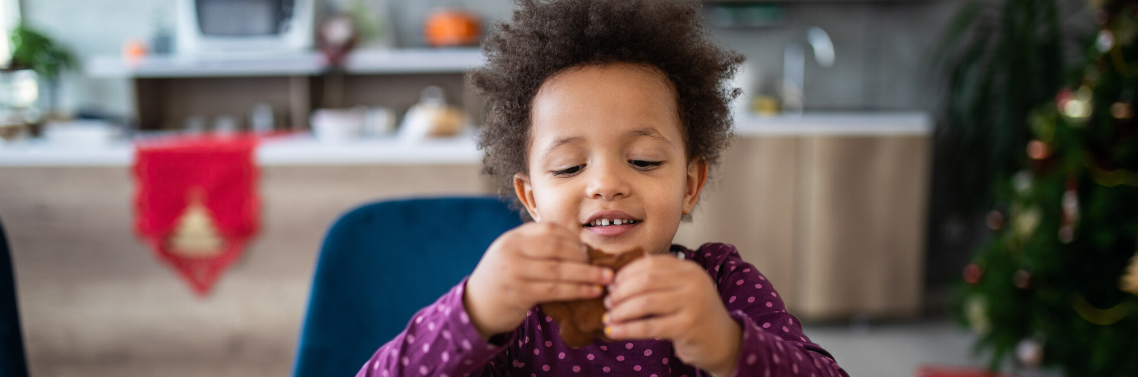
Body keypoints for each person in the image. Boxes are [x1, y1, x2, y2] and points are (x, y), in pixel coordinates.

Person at [357, 0, 848, 376]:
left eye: (643, 160)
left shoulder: (721, 286)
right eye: (570, 167)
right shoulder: (516, 309)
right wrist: (474, 312)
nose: (606, 184)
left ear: (690, 184)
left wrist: (727, 345)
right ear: (531, 198)